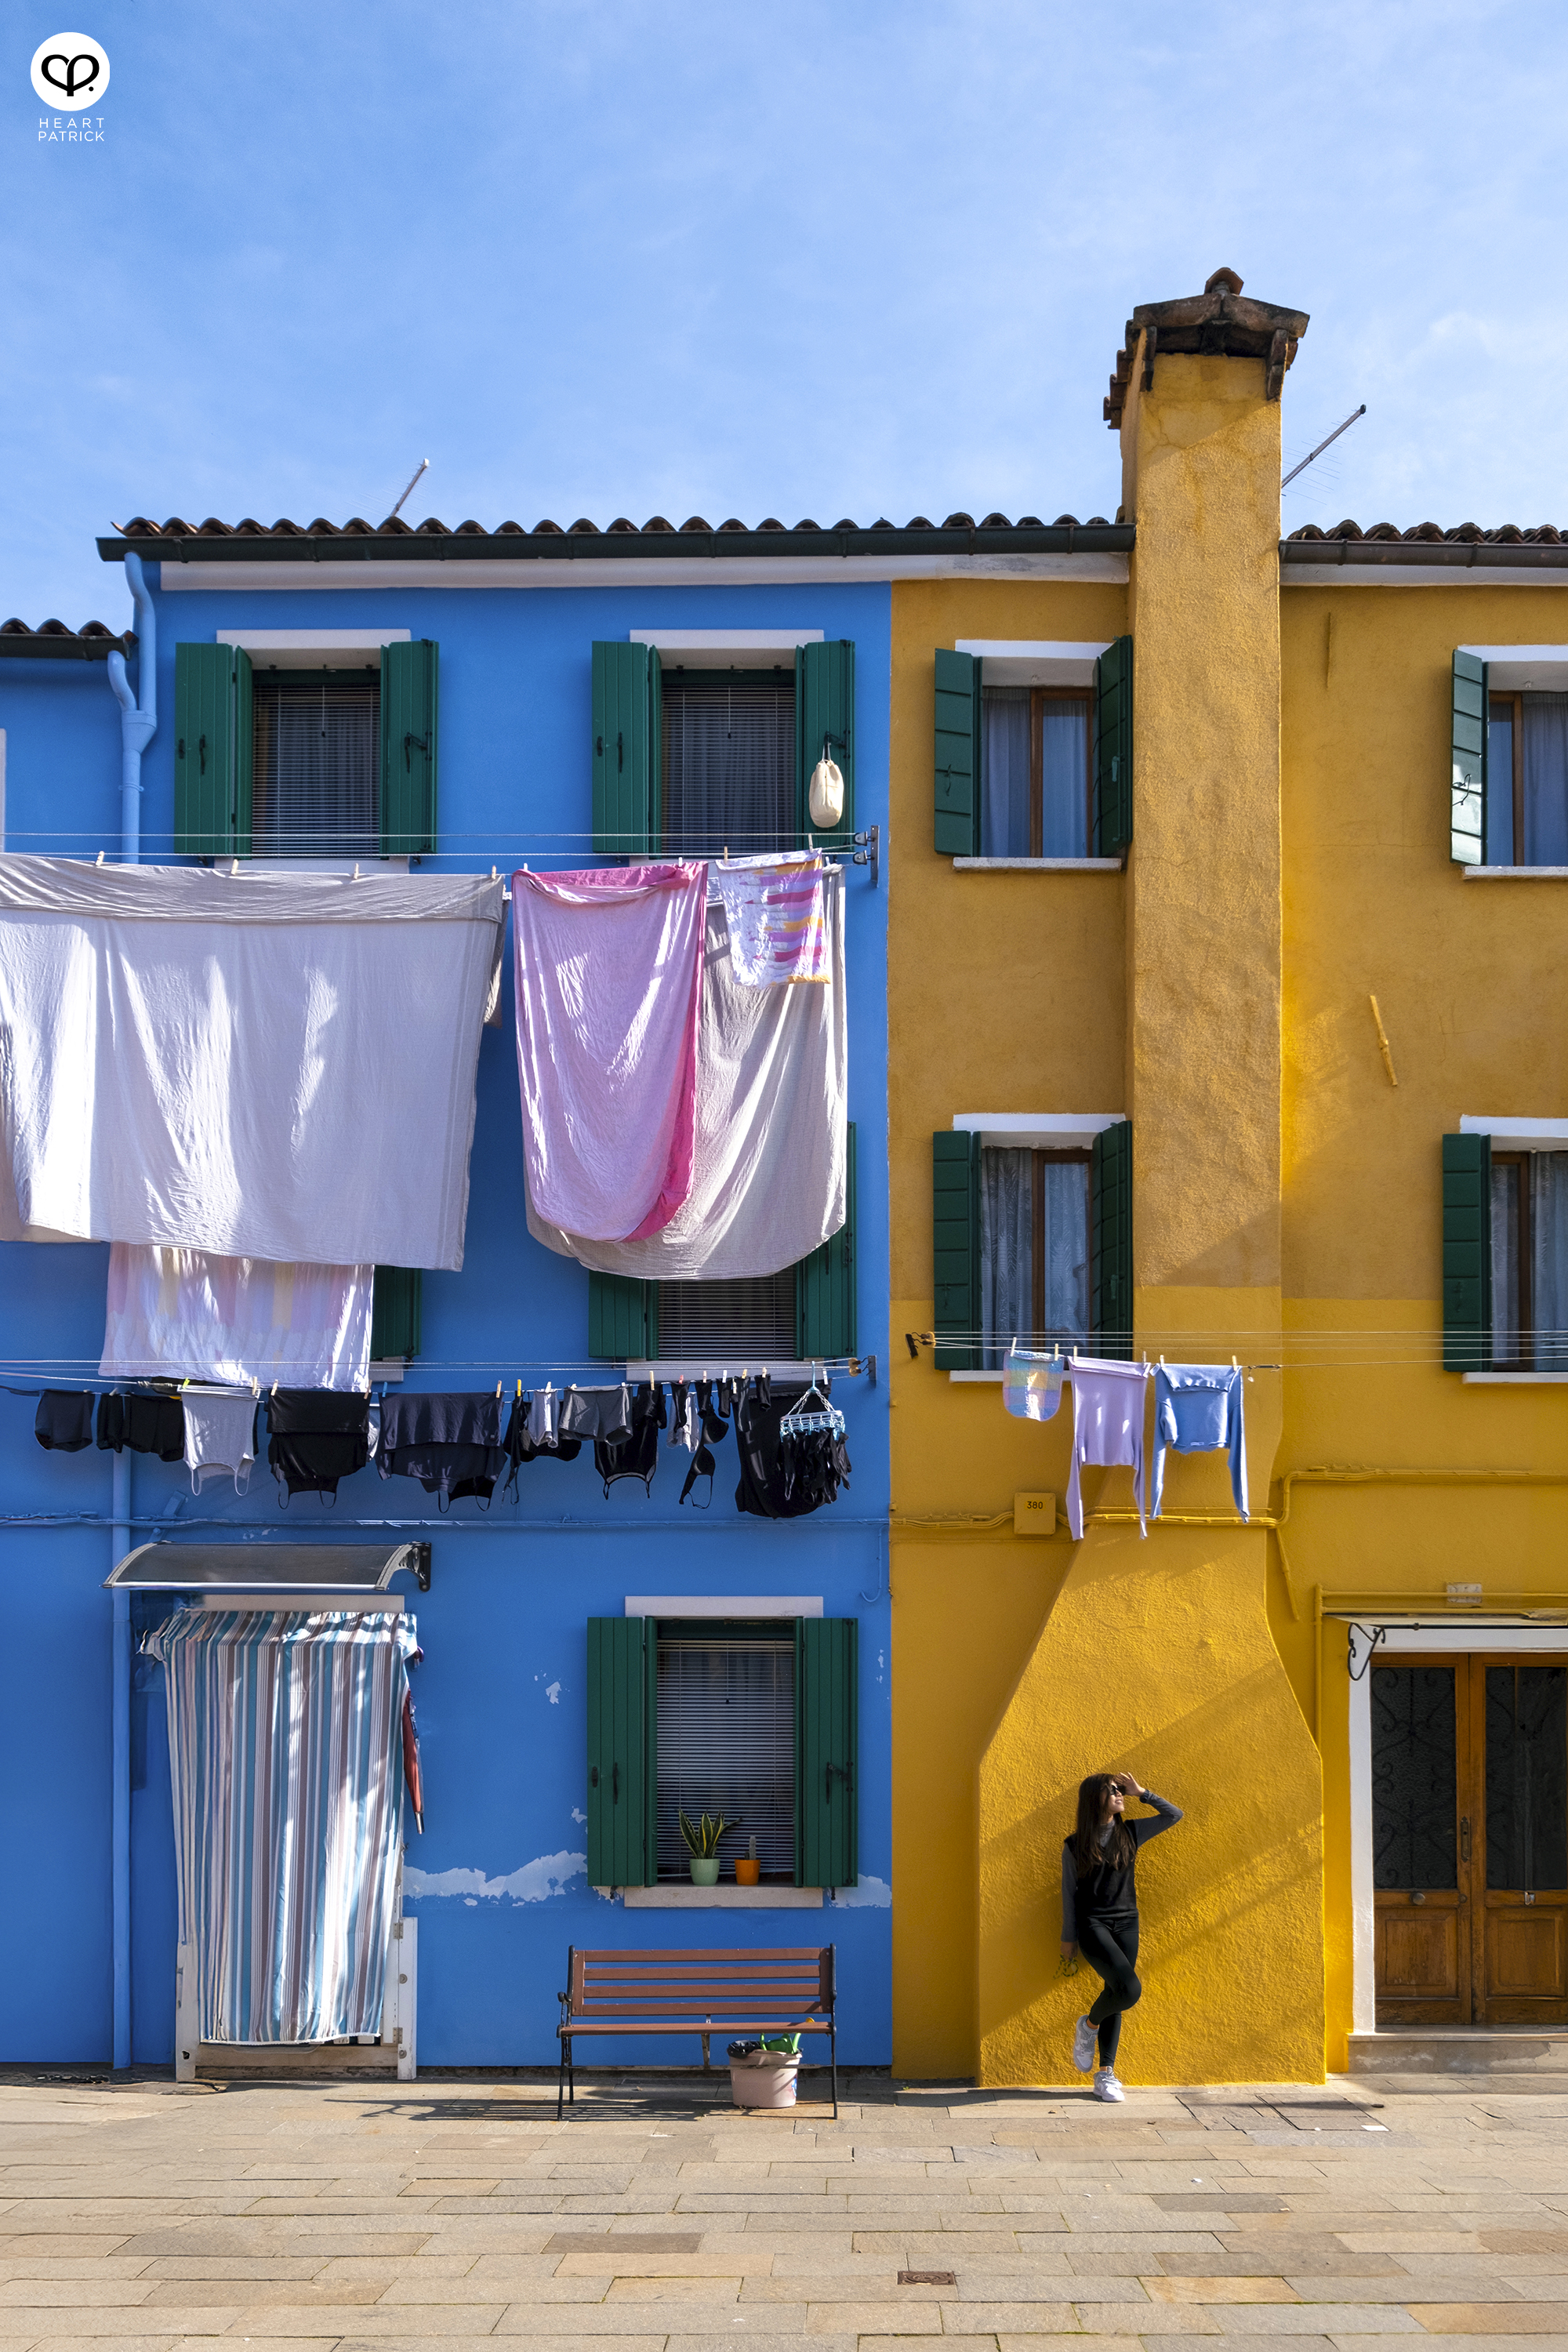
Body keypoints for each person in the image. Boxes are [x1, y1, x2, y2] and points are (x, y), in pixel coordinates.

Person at [1060, 1769, 1182, 2102]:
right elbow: (1068, 1895)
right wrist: (1067, 1939)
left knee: (1116, 1992)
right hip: (1093, 1925)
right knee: (1129, 1989)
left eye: (1120, 1790)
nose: (1119, 1794)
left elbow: (1175, 1815)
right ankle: (1089, 2026)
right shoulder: (1074, 1844)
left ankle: (1105, 2074)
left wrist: (1141, 1792)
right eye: (1112, 1790)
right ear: (1093, 1799)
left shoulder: (1131, 1831)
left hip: (1128, 1922)